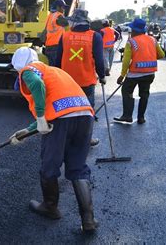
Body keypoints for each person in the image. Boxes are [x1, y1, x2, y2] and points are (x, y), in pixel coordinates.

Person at [11, 47, 98, 233]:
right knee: (77, 167)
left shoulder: (29, 70)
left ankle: (50, 208)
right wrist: (28, 130)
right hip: (84, 116)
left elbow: (37, 85)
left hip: (62, 121)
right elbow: (57, 106)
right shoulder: (55, 71)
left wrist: (41, 118)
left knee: (50, 165)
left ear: (19, 66)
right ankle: (88, 220)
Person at [56, 9, 105, 147]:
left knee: (67, 110)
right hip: (86, 82)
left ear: (74, 22)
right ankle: (85, 139)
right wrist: (102, 76)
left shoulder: (65, 36)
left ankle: (66, 137)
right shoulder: (95, 37)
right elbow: (99, 60)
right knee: (87, 111)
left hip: (66, 82)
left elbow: (57, 60)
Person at [114, 18, 165, 124]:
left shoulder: (132, 42)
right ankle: (141, 118)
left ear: (135, 30)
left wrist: (122, 75)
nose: (130, 32)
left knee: (127, 92)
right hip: (150, 74)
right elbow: (161, 55)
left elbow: (126, 61)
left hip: (134, 75)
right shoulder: (152, 40)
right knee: (144, 94)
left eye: (131, 30)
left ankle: (127, 116)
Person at [41, 0, 69, 66]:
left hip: (48, 45)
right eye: (63, 7)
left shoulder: (50, 16)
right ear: (58, 7)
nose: (64, 10)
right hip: (56, 46)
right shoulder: (58, 16)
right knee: (57, 67)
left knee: (51, 66)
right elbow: (67, 23)